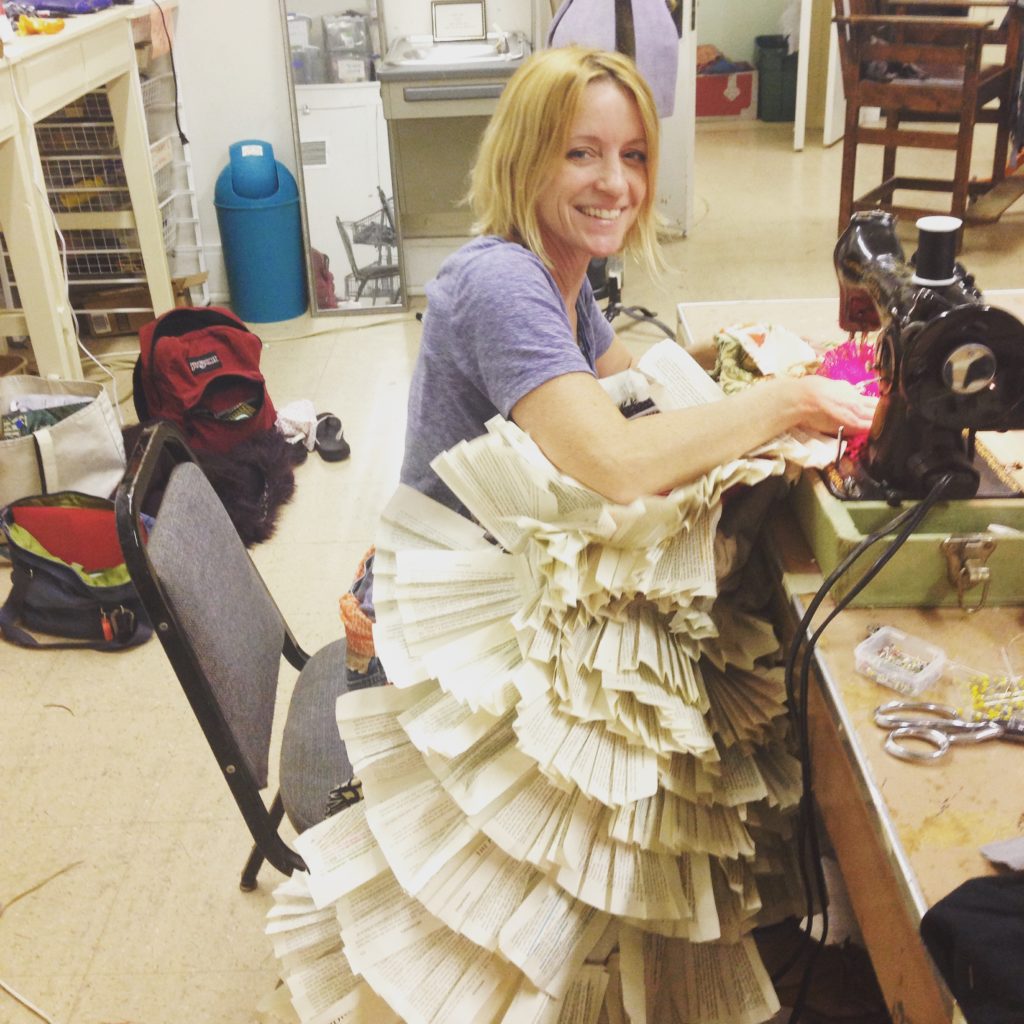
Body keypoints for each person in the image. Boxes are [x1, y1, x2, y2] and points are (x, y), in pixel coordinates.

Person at [400, 44, 877, 517]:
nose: (615, 182)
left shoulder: (563, 273)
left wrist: (730, 348)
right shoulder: (502, 281)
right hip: (466, 579)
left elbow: (637, 385)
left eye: (633, 155)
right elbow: (618, 462)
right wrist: (789, 400)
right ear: (523, 160)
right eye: (581, 153)